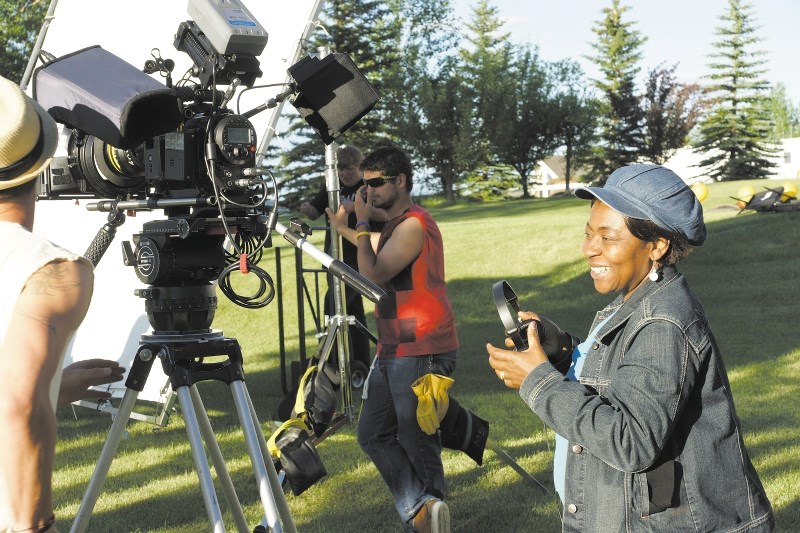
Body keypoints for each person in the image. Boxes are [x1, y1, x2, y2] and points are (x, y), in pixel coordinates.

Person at [486, 164, 774, 532]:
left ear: (656, 246)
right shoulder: (637, 300)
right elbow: (619, 377)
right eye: (589, 233)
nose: (588, 248)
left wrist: (538, 381)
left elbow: (630, 441)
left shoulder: (662, 322)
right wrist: (561, 350)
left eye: (607, 238)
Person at [0, 75, 124, 532]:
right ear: (43, 165)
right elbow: (15, 405)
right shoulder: (54, 271)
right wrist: (33, 524)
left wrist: (52, 386)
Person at [326, 145, 458, 533]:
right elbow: (374, 249)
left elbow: (376, 272)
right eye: (364, 185)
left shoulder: (415, 224)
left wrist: (362, 223)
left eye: (376, 183)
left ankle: (428, 520)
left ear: (400, 181)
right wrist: (346, 228)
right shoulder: (397, 225)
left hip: (421, 346)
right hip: (396, 346)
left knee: (417, 440)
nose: (368, 191)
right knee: (372, 433)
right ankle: (423, 510)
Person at [299, 144, 374, 371]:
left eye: (349, 169)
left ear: (359, 168)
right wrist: (308, 209)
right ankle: (360, 364)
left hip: (358, 258)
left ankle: (329, 362)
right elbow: (316, 209)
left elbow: (378, 214)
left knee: (333, 305)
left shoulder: (367, 188)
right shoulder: (333, 187)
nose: (344, 174)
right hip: (334, 257)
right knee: (354, 313)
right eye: (340, 169)